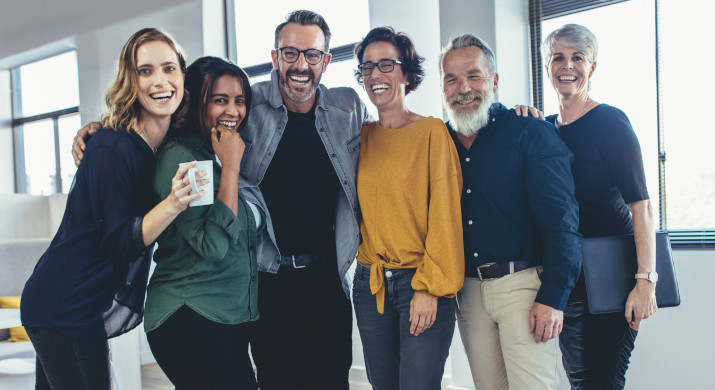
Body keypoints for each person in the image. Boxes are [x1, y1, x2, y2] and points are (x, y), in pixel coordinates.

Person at [21, 28, 204, 390]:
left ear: (183, 75)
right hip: (64, 305)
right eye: (145, 71)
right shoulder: (111, 146)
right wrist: (172, 203)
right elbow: (119, 242)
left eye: (169, 68)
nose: (160, 81)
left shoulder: (164, 142)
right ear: (129, 81)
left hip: (68, 306)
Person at [439, 33, 581, 390]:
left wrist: (553, 296)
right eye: (452, 79)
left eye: (474, 75)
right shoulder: (438, 143)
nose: (463, 88)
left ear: (495, 81)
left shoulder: (530, 132)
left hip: (524, 288)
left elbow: (562, 221)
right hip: (467, 292)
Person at [237, 10, 369, 389]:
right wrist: (104, 128)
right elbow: (190, 118)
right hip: (269, 279)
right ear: (276, 57)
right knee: (279, 380)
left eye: (312, 55)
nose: (301, 65)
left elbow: (394, 136)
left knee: (332, 379)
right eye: (290, 53)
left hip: (328, 278)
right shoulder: (249, 104)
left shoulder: (348, 109)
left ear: (326, 62)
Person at [540, 23, 657, 389]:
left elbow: (642, 207)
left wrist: (645, 282)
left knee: (600, 381)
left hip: (613, 278)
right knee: (581, 379)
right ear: (547, 66)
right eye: (558, 57)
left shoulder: (610, 122)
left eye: (578, 57)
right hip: (568, 279)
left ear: (592, 67)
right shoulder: (545, 128)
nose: (567, 66)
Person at [350, 27, 464, 390]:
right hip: (370, 284)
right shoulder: (361, 137)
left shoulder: (432, 133)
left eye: (386, 64)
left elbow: (446, 218)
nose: (375, 75)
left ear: (406, 73)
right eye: (367, 67)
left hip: (420, 280)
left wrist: (429, 288)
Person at [143, 57, 261, 389]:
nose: (233, 111)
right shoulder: (185, 158)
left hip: (227, 316)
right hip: (189, 312)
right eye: (219, 100)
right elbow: (212, 246)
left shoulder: (222, 151)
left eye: (239, 101)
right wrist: (232, 168)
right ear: (196, 101)